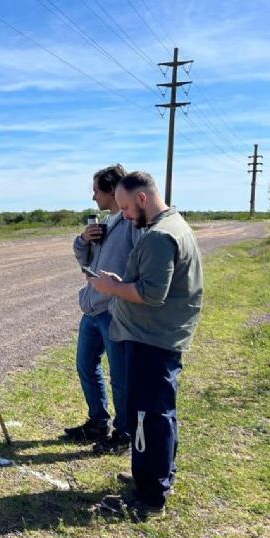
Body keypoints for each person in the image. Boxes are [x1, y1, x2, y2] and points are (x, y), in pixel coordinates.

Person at [89, 171, 203, 518]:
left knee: (147, 417)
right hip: (161, 337)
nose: (123, 215)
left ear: (142, 198)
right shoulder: (174, 224)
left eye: (124, 207)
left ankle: (149, 497)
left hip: (151, 339)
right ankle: (157, 475)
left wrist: (112, 288)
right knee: (160, 413)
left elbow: (151, 295)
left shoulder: (158, 236)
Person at [64, 164, 140, 455]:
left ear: (112, 191)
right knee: (86, 365)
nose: (93, 196)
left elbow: (139, 265)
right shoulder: (105, 223)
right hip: (92, 309)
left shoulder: (132, 223)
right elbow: (83, 257)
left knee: (120, 376)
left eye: (97, 190)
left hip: (115, 311)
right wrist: (84, 239)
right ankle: (98, 422)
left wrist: (121, 292)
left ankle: (124, 432)